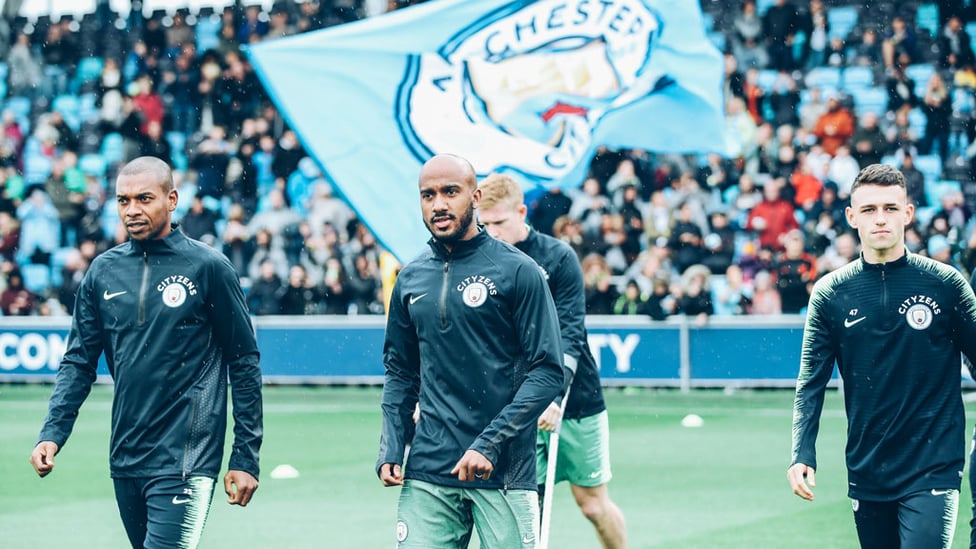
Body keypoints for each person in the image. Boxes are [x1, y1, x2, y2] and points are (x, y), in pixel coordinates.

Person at [29, 156, 263, 548]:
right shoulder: (102, 272)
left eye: (144, 198)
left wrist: (245, 456)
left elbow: (243, 361)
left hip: (187, 458)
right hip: (126, 456)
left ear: (171, 199)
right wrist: (52, 433)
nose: (132, 210)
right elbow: (78, 362)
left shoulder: (209, 268)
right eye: (123, 201)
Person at [376, 154, 565, 548]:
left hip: (503, 470)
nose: (439, 204)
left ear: (475, 197)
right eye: (428, 195)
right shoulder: (410, 278)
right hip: (429, 466)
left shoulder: (518, 271)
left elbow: (548, 372)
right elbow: (400, 371)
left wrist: (489, 442)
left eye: (450, 192)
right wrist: (393, 443)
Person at [787, 164, 976, 548]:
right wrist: (801, 452)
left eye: (890, 208)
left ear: (908, 214)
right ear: (852, 217)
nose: (880, 219)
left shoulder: (947, 285)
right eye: (869, 210)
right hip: (868, 464)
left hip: (934, 463)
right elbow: (811, 383)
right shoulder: (830, 294)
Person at [477, 173, 627, 548]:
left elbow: (570, 333)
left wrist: (554, 397)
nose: (491, 232)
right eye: (485, 224)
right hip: (519, 406)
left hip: (575, 401)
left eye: (499, 223)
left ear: (522, 212)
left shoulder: (558, 257)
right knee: (529, 507)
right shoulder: (480, 262)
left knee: (592, 505)